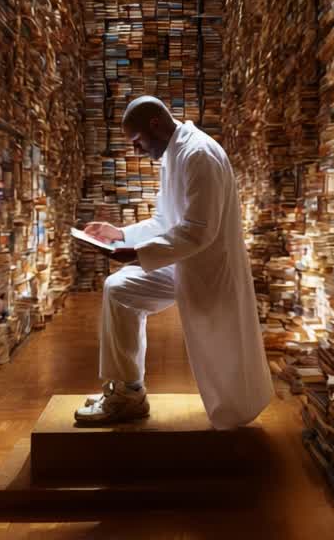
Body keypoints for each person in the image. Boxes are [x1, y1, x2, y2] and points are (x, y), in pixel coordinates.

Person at [76, 96, 274, 429]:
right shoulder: (173, 154)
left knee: (228, 369)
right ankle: (128, 394)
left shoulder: (199, 155)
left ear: (155, 125)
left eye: (137, 141)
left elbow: (199, 232)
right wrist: (120, 234)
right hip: (180, 262)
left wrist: (138, 254)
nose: (137, 150)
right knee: (119, 288)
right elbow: (164, 221)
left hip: (208, 268)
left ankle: (239, 419)